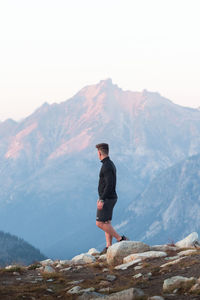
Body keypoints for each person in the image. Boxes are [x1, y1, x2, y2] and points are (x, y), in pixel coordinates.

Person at [95, 143, 128, 254]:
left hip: (108, 198)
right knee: (106, 222)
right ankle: (109, 246)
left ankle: (120, 239)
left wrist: (102, 199)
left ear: (99, 153)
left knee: (99, 223)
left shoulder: (107, 166)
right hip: (109, 197)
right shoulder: (109, 164)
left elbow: (109, 184)